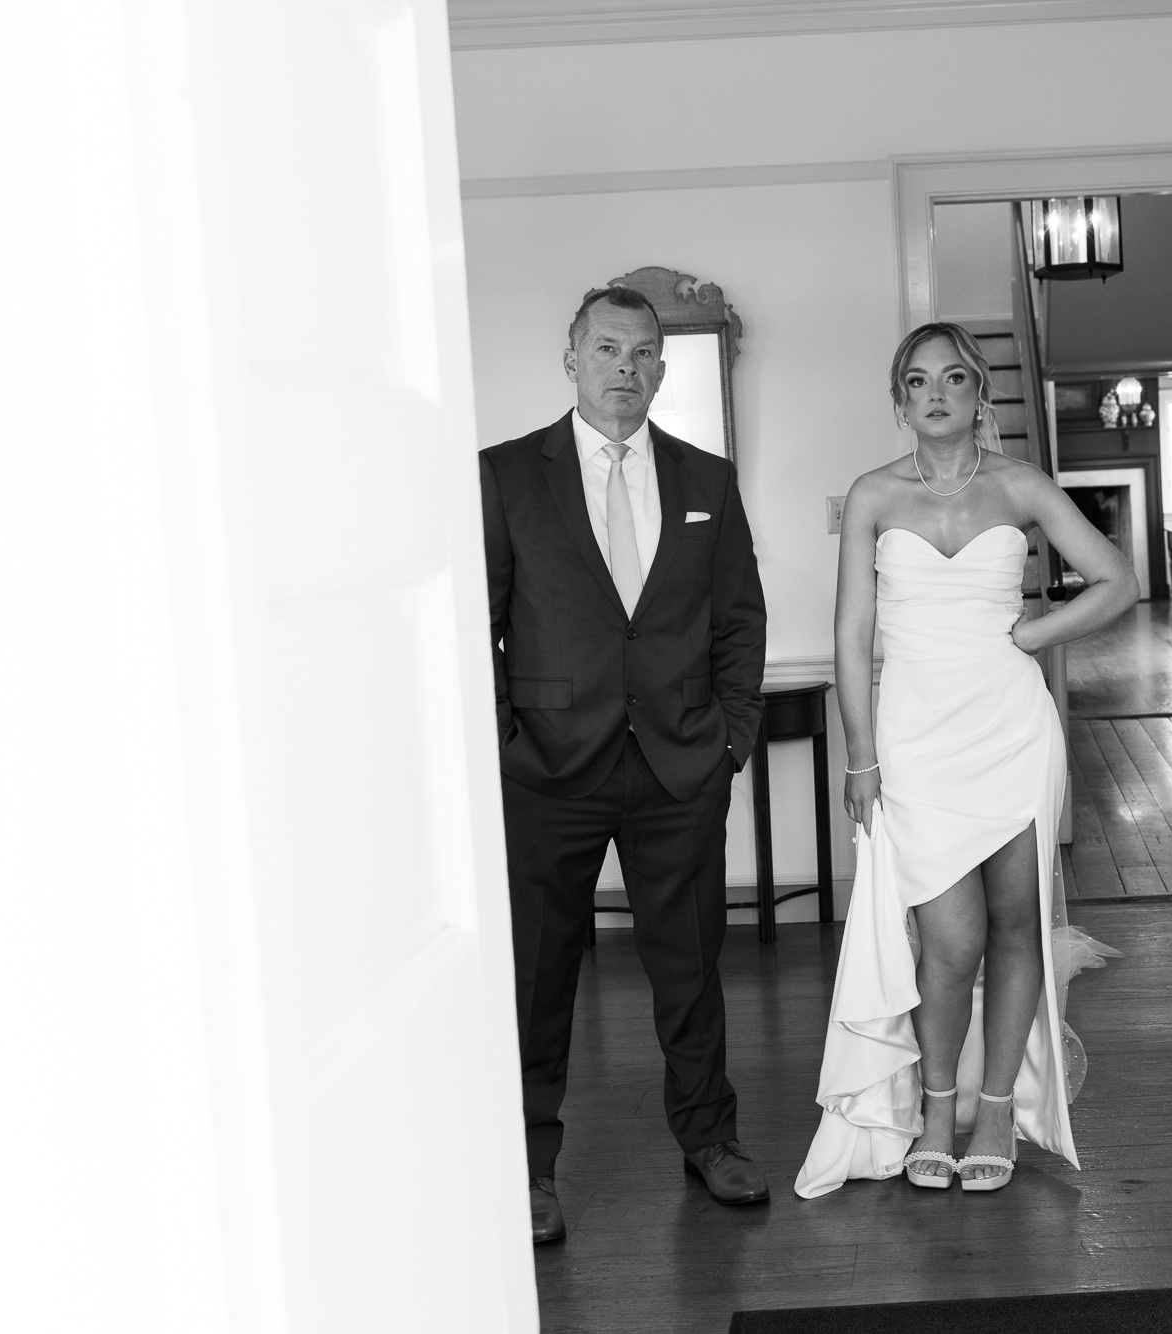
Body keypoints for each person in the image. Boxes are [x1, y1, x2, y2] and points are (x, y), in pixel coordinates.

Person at [795, 323, 1134, 1198]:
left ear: (980, 389)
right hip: (913, 739)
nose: (936, 393)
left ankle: (993, 1113)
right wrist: (861, 754)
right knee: (950, 939)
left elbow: (1116, 580)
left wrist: (1031, 633)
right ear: (899, 400)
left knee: (1018, 921)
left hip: (1010, 729)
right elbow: (851, 630)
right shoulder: (873, 494)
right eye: (917, 380)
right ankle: (933, 1109)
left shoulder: (1019, 484)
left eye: (953, 377)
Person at [480, 283, 768, 1243]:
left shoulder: (706, 481)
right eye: (607, 350)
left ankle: (711, 1140)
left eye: (644, 353)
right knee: (539, 974)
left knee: (690, 967)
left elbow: (738, 621)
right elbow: (477, 623)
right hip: (547, 771)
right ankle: (529, 1167)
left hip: (680, 767)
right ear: (572, 359)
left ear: (663, 364)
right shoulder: (506, 476)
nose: (627, 369)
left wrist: (730, 737)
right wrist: (501, 745)